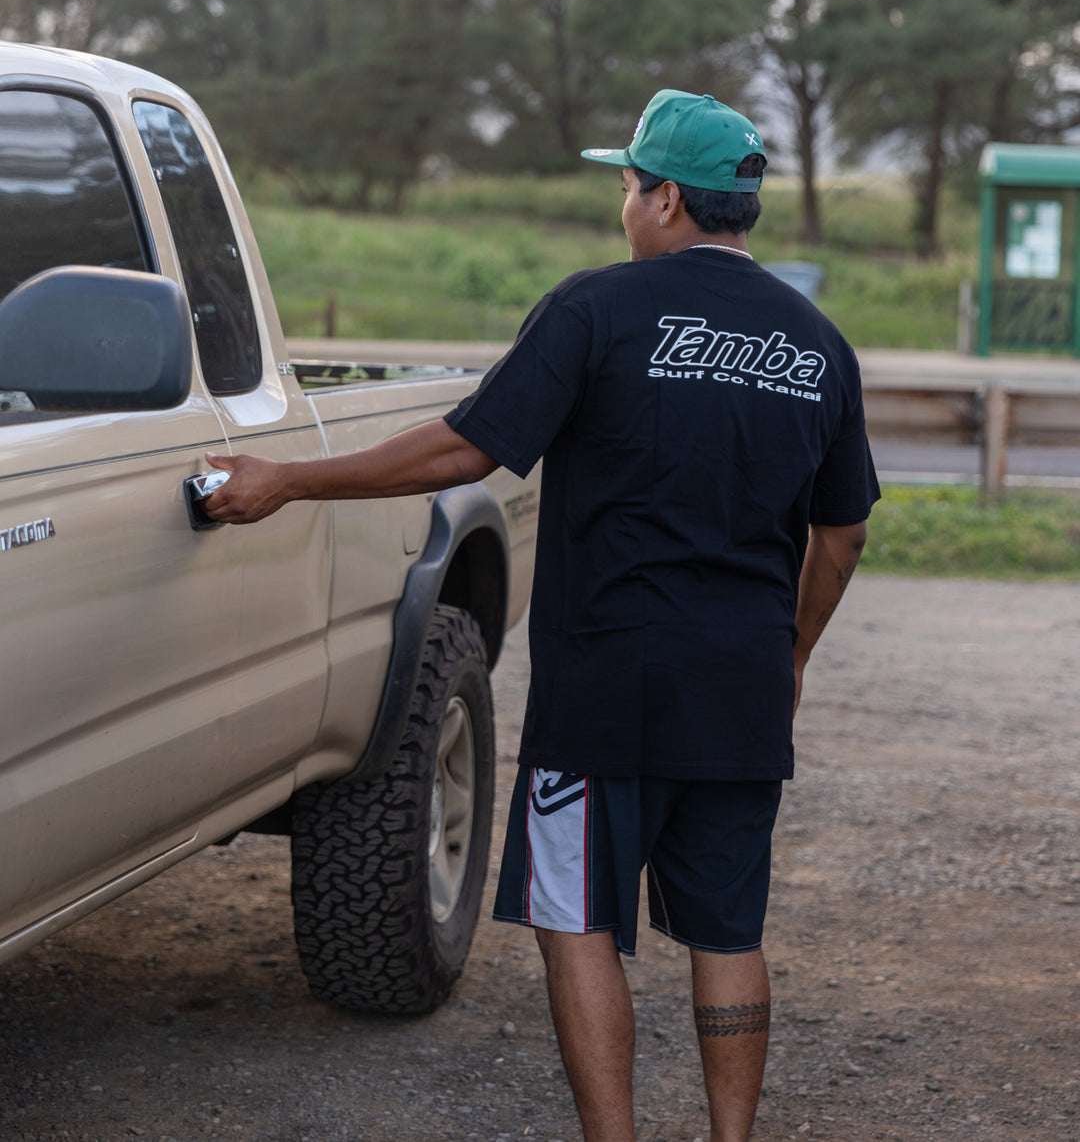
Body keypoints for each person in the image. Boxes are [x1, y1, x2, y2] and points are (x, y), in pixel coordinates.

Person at [202, 88, 879, 1142]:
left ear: (663, 200)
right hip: (741, 688)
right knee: (728, 931)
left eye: (627, 183)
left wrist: (289, 479)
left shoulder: (597, 311)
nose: (623, 204)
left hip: (606, 685)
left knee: (577, 923)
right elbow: (842, 537)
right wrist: (787, 651)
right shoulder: (818, 345)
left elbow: (464, 448)